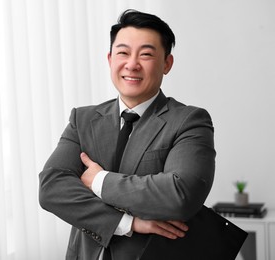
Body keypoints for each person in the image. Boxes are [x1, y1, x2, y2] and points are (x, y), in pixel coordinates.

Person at [39, 9, 216, 260]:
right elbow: (52, 188)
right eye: (123, 52)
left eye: (145, 54)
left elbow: (180, 194)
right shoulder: (83, 119)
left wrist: (98, 180)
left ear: (167, 63)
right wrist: (128, 222)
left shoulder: (189, 121)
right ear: (110, 59)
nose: (132, 64)